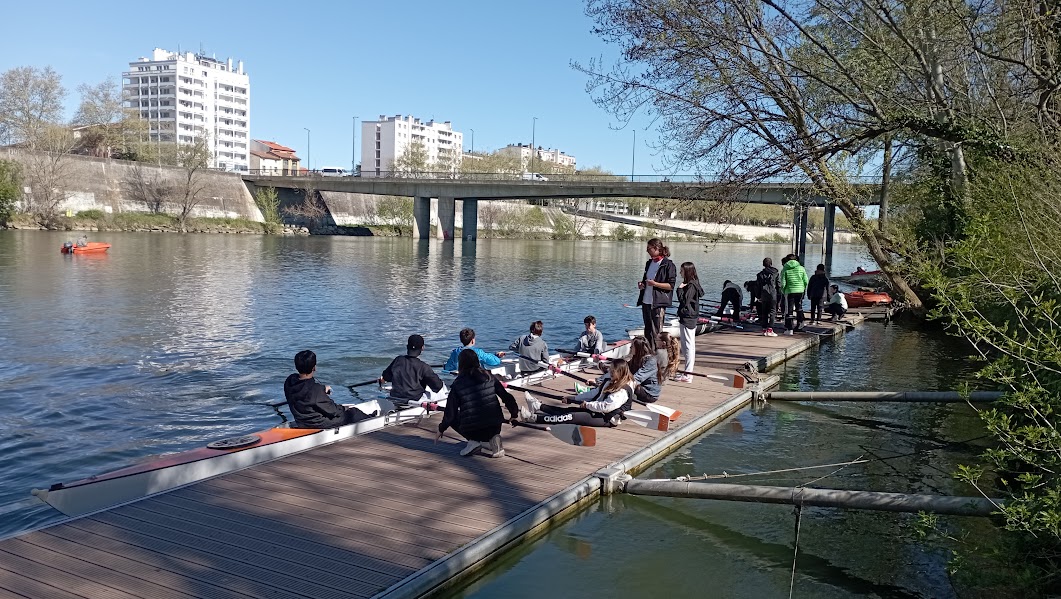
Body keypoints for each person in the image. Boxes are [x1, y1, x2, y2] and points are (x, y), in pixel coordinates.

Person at [436, 349, 520, 458]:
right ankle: (493, 438)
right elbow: (506, 397)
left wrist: (441, 429)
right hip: (495, 425)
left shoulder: (457, 384)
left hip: (472, 430)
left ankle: (473, 441)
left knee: (453, 415)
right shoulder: (489, 376)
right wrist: (514, 414)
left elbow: (450, 413)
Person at [521, 359, 635, 427]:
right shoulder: (611, 380)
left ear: (620, 372)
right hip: (597, 410)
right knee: (568, 410)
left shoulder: (623, 391)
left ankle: (533, 418)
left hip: (607, 418)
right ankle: (538, 406)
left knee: (570, 416)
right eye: (610, 369)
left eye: (613, 371)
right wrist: (574, 398)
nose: (610, 372)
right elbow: (594, 393)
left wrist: (587, 405)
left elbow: (606, 407)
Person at [284, 350, 376, 429]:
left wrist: (323, 389)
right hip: (318, 424)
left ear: (296, 366)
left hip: (302, 422)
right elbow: (333, 411)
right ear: (314, 368)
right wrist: (344, 408)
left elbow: (305, 390)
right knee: (354, 412)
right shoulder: (315, 390)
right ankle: (372, 420)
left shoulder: (289, 382)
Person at [380, 334, 445, 408]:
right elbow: (437, 386)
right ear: (422, 348)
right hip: (414, 401)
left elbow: (386, 377)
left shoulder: (397, 360)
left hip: (395, 398)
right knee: (440, 392)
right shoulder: (424, 367)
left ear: (407, 347)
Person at [636, 238, 676, 351]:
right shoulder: (649, 263)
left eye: (649, 249)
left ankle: (660, 355)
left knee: (656, 332)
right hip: (646, 301)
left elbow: (671, 285)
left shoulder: (668, 265)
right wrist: (642, 284)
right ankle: (649, 354)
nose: (647, 251)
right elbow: (646, 280)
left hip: (658, 302)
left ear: (657, 248)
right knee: (647, 330)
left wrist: (655, 284)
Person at [675, 262, 704, 382]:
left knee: (688, 345)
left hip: (689, 317)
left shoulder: (691, 285)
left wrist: (679, 289)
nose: (680, 273)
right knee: (686, 344)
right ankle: (687, 372)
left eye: (681, 271)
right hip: (686, 316)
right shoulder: (692, 283)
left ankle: (688, 374)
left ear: (687, 271)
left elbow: (684, 301)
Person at [780, 254, 808, 335]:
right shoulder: (801, 268)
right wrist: (803, 288)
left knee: (789, 310)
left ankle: (790, 329)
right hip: (800, 290)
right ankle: (800, 324)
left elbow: (783, 282)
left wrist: (783, 290)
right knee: (799, 308)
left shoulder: (785, 269)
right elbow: (806, 280)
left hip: (789, 291)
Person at [756, 257, 781, 336]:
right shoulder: (776, 273)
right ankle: (770, 329)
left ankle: (764, 329)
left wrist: (758, 296)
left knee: (764, 312)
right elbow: (778, 285)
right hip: (773, 294)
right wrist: (779, 296)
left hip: (764, 294)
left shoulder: (760, 274)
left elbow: (758, 286)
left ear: (763, 264)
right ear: (771, 263)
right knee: (773, 312)